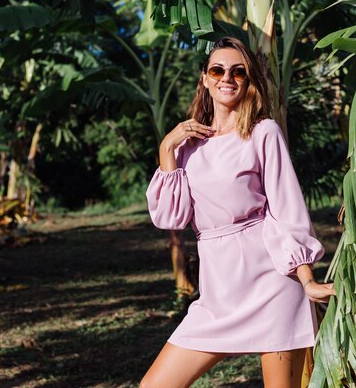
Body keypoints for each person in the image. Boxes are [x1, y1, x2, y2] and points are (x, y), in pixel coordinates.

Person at [141, 37, 336, 388]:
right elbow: (170, 218)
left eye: (238, 71)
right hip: (217, 291)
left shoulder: (263, 133)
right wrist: (167, 147)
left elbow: (286, 211)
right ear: (205, 78)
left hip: (271, 283)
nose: (226, 78)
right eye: (217, 70)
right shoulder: (187, 145)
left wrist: (307, 280)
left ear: (248, 81)